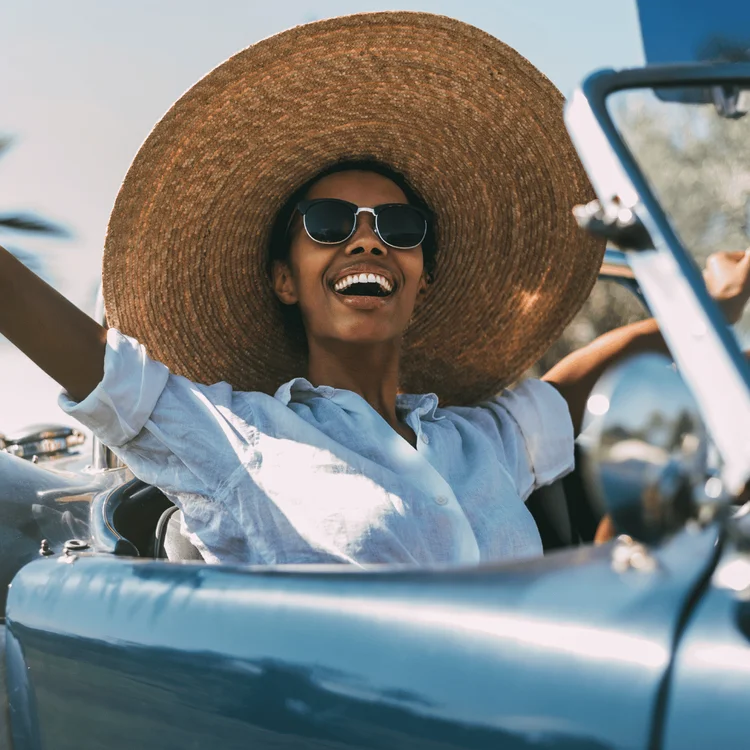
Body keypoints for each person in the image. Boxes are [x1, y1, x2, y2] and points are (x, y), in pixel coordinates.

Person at [1, 12, 748, 565]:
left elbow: (579, 380)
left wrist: (708, 305)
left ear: (421, 276)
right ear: (282, 281)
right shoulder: (237, 438)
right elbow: (82, 355)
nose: (368, 239)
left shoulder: (477, 442)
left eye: (400, 226)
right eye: (329, 222)